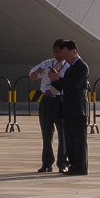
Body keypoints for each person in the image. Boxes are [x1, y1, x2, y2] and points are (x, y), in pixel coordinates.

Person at [55, 39, 91, 178]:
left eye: (67, 55)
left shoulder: (82, 66)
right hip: (69, 108)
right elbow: (64, 86)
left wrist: (60, 79)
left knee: (78, 140)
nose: (65, 58)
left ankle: (80, 167)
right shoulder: (70, 67)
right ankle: (73, 165)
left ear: (74, 51)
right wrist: (55, 79)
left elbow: (74, 85)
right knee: (69, 139)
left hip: (78, 109)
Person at [28, 42, 63, 173]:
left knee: (62, 133)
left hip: (61, 99)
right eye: (56, 52)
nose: (58, 55)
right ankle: (47, 162)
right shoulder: (48, 63)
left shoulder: (69, 65)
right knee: (46, 133)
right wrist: (37, 73)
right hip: (47, 98)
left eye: (60, 52)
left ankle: (62, 163)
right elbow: (32, 76)